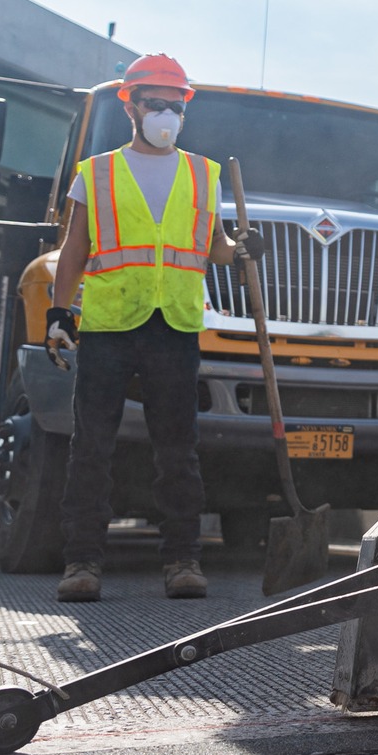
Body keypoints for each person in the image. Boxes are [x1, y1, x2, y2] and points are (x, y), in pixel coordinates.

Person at [46, 54, 239, 602]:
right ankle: (81, 564)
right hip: (109, 325)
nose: (166, 114)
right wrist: (60, 314)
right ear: (130, 104)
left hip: (174, 325)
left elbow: (216, 247)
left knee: (178, 449)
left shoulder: (204, 174)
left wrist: (239, 250)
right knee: (92, 447)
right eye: (155, 103)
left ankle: (183, 561)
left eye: (175, 105)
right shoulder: (98, 172)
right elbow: (75, 248)